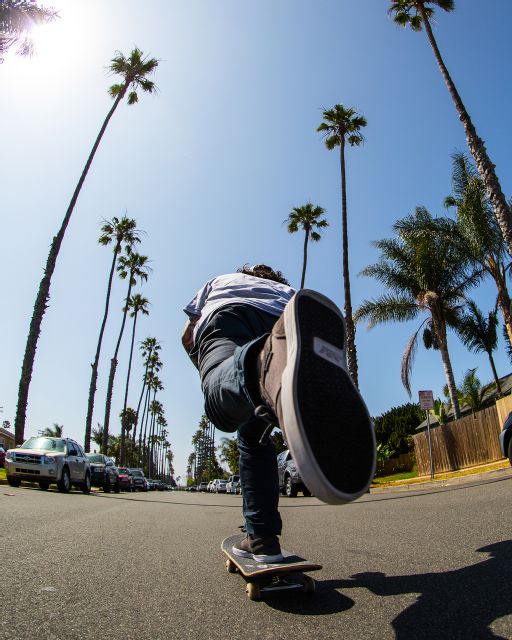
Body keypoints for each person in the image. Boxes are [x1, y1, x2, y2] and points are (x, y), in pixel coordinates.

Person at [182, 264, 375, 563]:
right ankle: (261, 539)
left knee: (221, 408)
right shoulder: (285, 290)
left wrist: (214, 373)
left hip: (228, 316)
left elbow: (187, 335)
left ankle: (263, 364)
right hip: (283, 319)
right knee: (254, 436)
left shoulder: (219, 281)